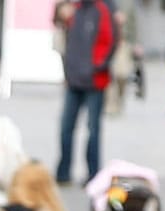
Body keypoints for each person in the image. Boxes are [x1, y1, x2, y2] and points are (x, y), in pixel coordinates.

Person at [55, 0, 118, 185]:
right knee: (66, 128)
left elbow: (110, 40)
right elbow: (61, 31)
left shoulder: (102, 10)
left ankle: (93, 174)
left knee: (93, 129)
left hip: (94, 81)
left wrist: (97, 66)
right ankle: (63, 172)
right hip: (74, 79)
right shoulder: (73, 10)